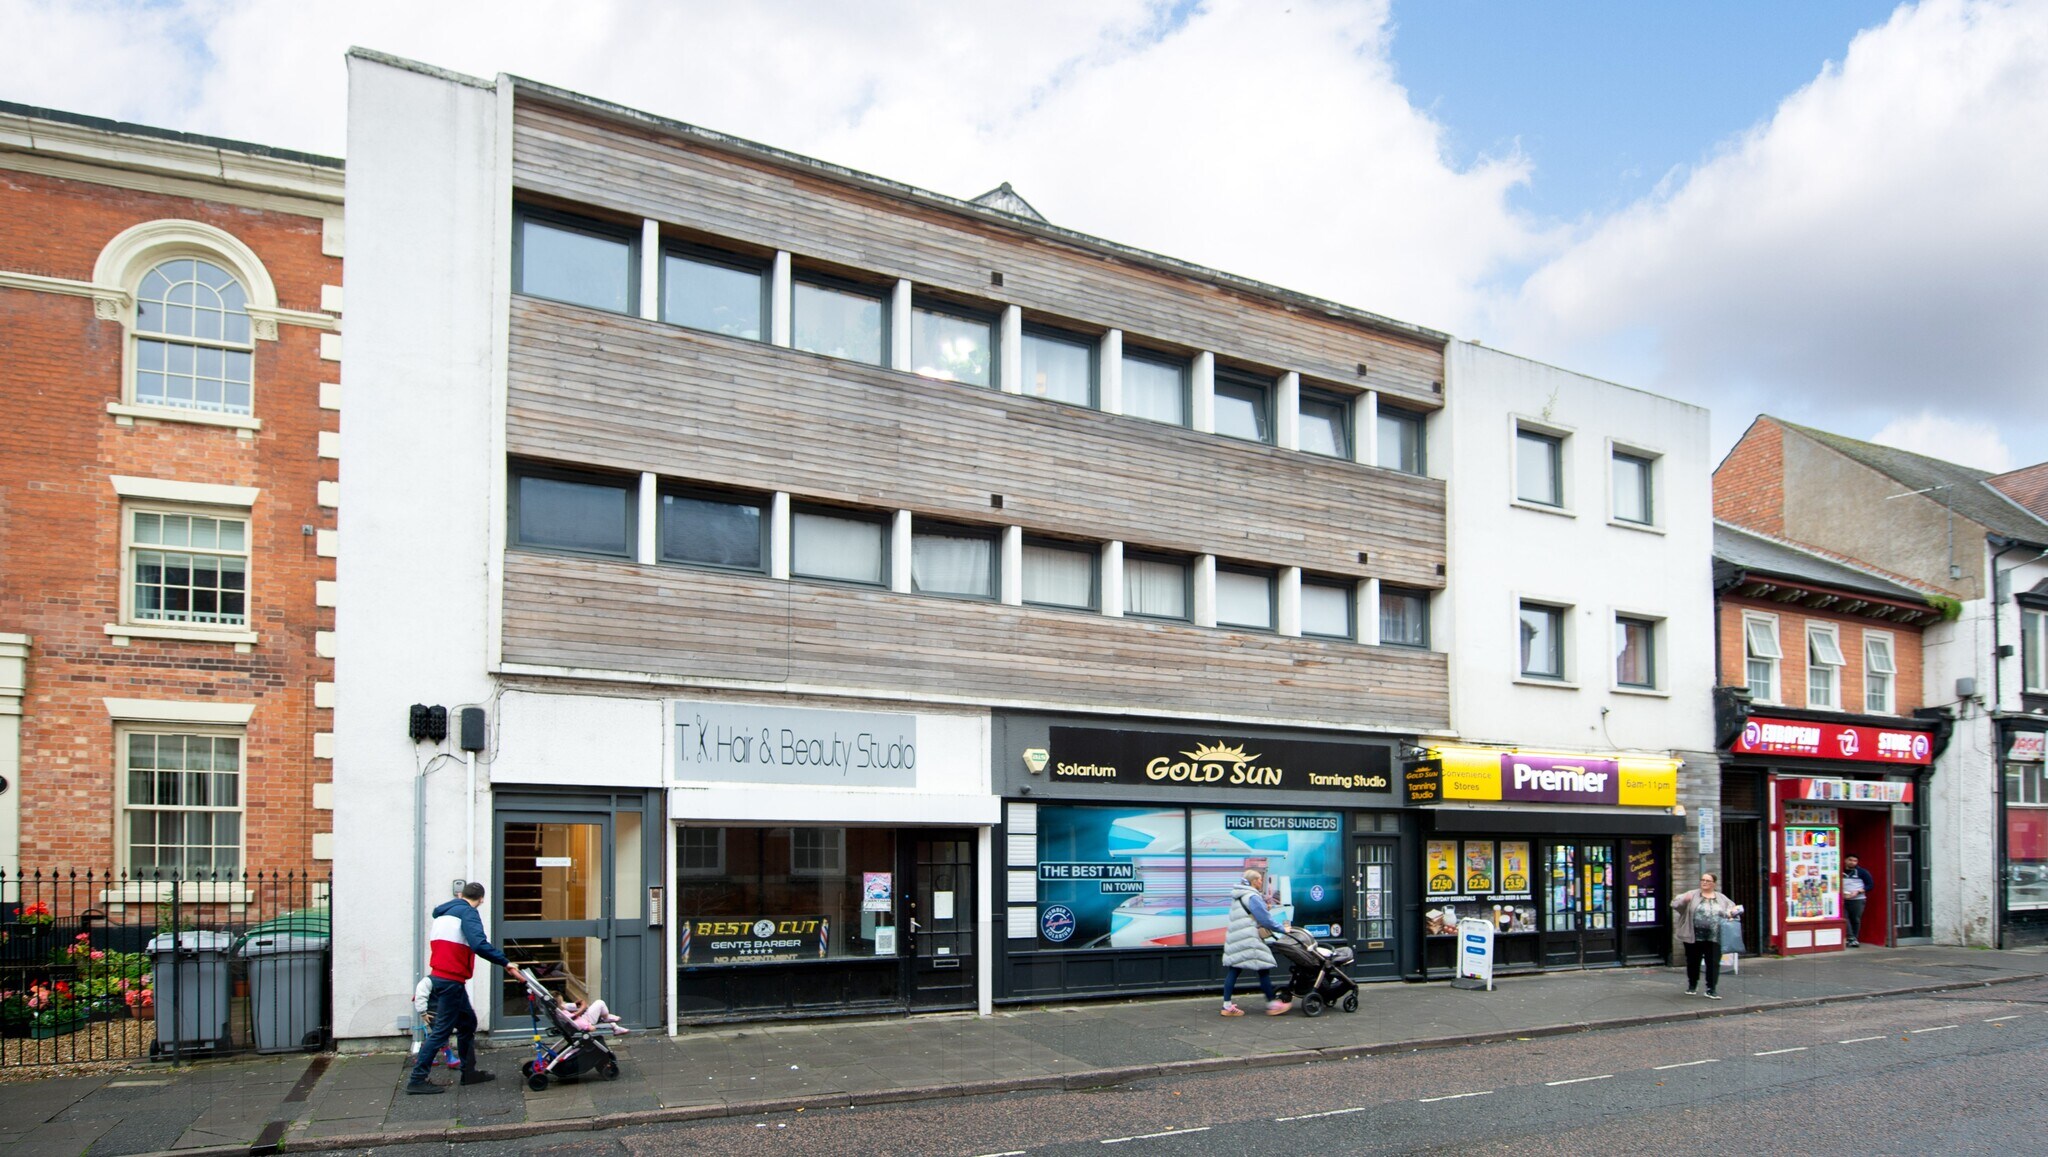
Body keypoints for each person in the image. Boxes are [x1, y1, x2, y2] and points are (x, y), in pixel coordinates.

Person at [406, 882, 511, 1094]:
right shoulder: (468, 913)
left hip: (444, 977)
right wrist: (505, 962)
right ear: (481, 899)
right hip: (450, 981)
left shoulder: (444, 912)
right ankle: (417, 1079)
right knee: (441, 1032)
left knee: (467, 1023)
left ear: (462, 894)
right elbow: (479, 944)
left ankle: (469, 1072)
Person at [1220, 868, 1292, 1017]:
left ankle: (1226, 1006)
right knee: (1263, 969)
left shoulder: (1239, 895)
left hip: (1237, 937)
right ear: (1254, 881)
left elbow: (1248, 914)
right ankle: (1272, 1004)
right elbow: (1265, 920)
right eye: (1259, 879)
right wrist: (1283, 929)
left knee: (1234, 969)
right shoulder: (1252, 896)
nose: (1261, 881)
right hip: (1249, 937)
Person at [1670, 873, 1743, 1000]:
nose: (1704, 882)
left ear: (1714, 883)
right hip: (1693, 936)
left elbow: (1732, 910)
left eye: (1708, 881)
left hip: (1715, 936)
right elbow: (1675, 905)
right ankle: (1692, 985)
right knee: (1693, 962)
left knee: (1713, 963)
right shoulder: (1692, 895)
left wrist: (1732, 913)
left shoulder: (1721, 898)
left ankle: (1711, 989)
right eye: (1702, 880)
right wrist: (1684, 900)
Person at [1841, 854, 1875, 947]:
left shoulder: (1862, 872)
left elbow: (1870, 885)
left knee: (1855, 919)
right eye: (1850, 860)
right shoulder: (1840, 870)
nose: (1852, 862)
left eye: (1855, 861)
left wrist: (1858, 891)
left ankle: (1854, 938)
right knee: (1844, 918)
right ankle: (1850, 937)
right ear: (1845, 860)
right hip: (1842, 899)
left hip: (1857, 899)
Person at [560, 997, 628, 1034]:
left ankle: (606, 1018)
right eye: (562, 1002)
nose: (563, 1003)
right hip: (586, 1021)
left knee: (595, 1006)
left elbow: (582, 1002)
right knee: (600, 1002)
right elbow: (583, 1006)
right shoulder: (562, 1012)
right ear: (560, 1004)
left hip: (582, 1018)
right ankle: (606, 1017)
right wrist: (579, 1011)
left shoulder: (560, 1011)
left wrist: (580, 1008)